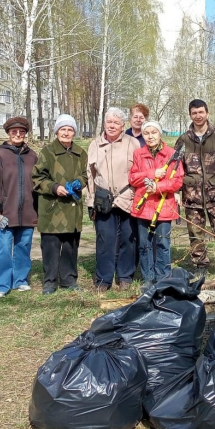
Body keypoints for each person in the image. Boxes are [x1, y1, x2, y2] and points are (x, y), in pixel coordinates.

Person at [174, 99, 215, 273]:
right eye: (194, 113)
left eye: (201, 112)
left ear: (207, 113)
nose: (198, 116)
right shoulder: (183, 140)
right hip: (191, 195)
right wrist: (176, 192)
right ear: (190, 115)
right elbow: (177, 169)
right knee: (196, 234)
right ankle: (200, 266)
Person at [32, 114, 88, 295]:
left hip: (72, 207)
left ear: (74, 132)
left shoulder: (81, 153)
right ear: (56, 132)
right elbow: (37, 178)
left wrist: (79, 182)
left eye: (70, 129)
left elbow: (86, 175)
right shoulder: (47, 152)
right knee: (51, 247)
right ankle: (49, 281)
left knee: (71, 247)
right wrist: (55, 187)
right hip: (52, 206)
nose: (66, 133)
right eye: (63, 129)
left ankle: (69, 279)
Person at [87, 107, 140, 292]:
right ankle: (104, 279)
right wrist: (90, 201)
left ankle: (125, 276)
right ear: (104, 124)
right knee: (105, 239)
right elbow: (90, 175)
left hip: (128, 197)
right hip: (103, 200)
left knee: (128, 238)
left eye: (116, 123)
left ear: (122, 125)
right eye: (109, 122)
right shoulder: (95, 144)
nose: (112, 125)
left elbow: (139, 171)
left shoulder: (133, 143)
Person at [0, 116, 38, 298]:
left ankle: (20, 279)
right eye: (14, 132)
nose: (18, 135)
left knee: (24, 246)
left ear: (25, 134)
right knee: (3, 248)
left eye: (21, 132)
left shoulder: (32, 156)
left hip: (27, 211)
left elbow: (38, 182)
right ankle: (0, 284)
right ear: (8, 133)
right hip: (5, 212)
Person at [129, 121, 184, 289]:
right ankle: (148, 278)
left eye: (154, 132)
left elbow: (177, 181)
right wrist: (151, 174)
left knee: (163, 244)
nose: (150, 136)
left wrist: (157, 186)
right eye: (146, 133)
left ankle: (163, 277)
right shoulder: (139, 154)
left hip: (164, 206)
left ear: (160, 134)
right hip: (143, 206)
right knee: (144, 245)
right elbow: (133, 178)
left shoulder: (172, 154)